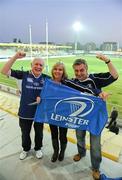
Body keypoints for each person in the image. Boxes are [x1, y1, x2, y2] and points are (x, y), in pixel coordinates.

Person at [36, 62, 109, 163]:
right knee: (53, 133)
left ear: (63, 72)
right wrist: (39, 96)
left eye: (60, 69)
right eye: (55, 69)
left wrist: (98, 92)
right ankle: (56, 152)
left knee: (62, 134)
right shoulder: (48, 82)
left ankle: (62, 152)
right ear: (52, 70)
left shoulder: (67, 82)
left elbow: (83, 88)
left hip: (64, 114)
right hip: (51, 113)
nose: (57, 71)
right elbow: (42, 92)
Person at [71, 54, 119, 180]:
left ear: (86, 69)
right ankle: (81, 153)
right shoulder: (73, 82)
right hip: (80, 116)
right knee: (79, 137)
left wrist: (107, 60)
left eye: (82, 70)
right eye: (76, 71)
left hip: (95, 118)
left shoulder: (95, 78)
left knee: (95, 144)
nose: (79, 73)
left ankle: (96, 167)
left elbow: (115, 76)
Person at [0, 51, 49, 160]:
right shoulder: (23, 75)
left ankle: (38, 148)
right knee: (25, 133)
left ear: (43, 67)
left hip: (39, 113)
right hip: (25, 112)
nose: (38, 66)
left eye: (41, 65)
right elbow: (3, 71)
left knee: (39, 133)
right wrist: (15, 57)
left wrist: (43, 98)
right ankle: (25, 149)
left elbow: (55, 92)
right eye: (36, 64)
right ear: (31, 65)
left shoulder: (47, 79)